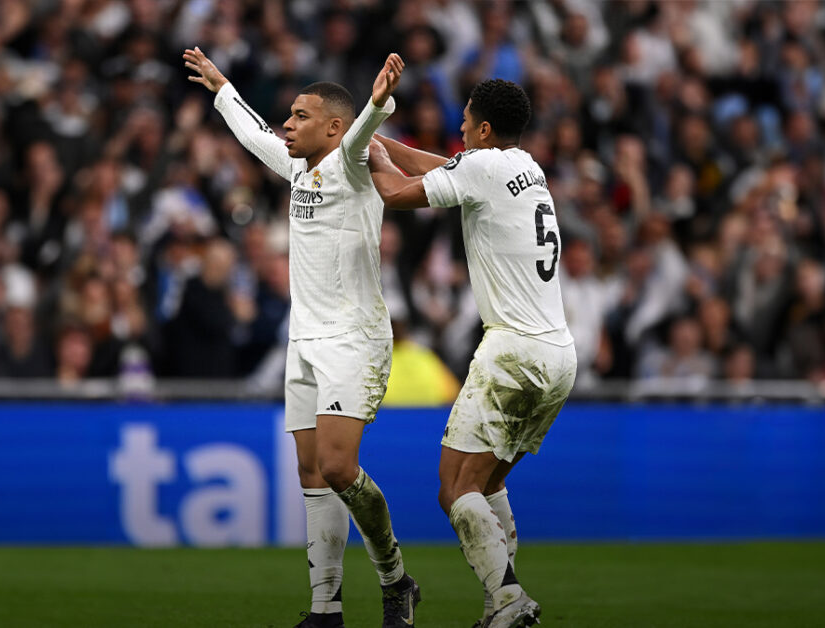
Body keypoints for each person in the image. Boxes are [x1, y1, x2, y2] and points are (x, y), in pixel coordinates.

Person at [183, 48, 419, 628]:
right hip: (304, 340)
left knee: (339, 468)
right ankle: (325, 609)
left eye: (299, 116)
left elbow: (361, 133)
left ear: (333, 128)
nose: (287, 124)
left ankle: (395, 578)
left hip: (354, 338)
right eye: (289, 115)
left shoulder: (355, 163)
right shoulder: (296, 170)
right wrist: (221, 86)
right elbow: (252, 134)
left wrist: (378, 103)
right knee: (312, 476)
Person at [368, 79, 578, 628]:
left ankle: (508, 598)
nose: (459, 127)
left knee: (454, 488)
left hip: (513, 352)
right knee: (487, 485)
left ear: (484, 128)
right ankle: (498, 606)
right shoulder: (525, 167)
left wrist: (364, 151)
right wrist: (381, 138)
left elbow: (395, 194)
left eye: (465, 119)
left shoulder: (481, 167)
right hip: (558, 354)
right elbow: (444, 166)